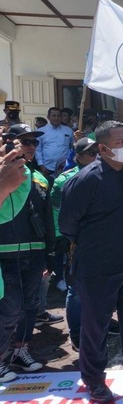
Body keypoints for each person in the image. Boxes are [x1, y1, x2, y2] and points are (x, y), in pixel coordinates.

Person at [59, 121, 123, 404]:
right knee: (96, 326)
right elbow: (68, 225)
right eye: (119, 142)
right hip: (98, 266)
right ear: (102, 148)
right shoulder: (85, 180)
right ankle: (93, 379)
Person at [0, 124, 52, 383]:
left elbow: (45, 217)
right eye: (24, 141)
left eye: (34, 142)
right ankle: (0, 359)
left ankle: (21, 351)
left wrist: (49, 253)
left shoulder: (40, 177)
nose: (30, 146)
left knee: (30, 306)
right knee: (9, 309)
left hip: (35, 251)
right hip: (5, 252)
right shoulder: (2, 172)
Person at [51, 137, 98, 351]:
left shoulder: (106, 174)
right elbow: (57, 211)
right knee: (76, 289)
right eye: (90, 153)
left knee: (100, 287)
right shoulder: (65, 180)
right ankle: (77, 332)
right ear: (78, 156)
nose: (95, 156)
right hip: (75, 243)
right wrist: (64, 239)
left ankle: (99, 327)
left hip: (102, 242)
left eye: (97, 151)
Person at [36, 107, 74, 176]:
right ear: (48, 117)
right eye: (54, 116)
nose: (56, 118)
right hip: (47, 168)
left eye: (58, 116)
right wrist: (41, 165)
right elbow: (38, 150)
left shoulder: (69, 131)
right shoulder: (41, 131)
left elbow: (72, 147)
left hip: (65, 169)